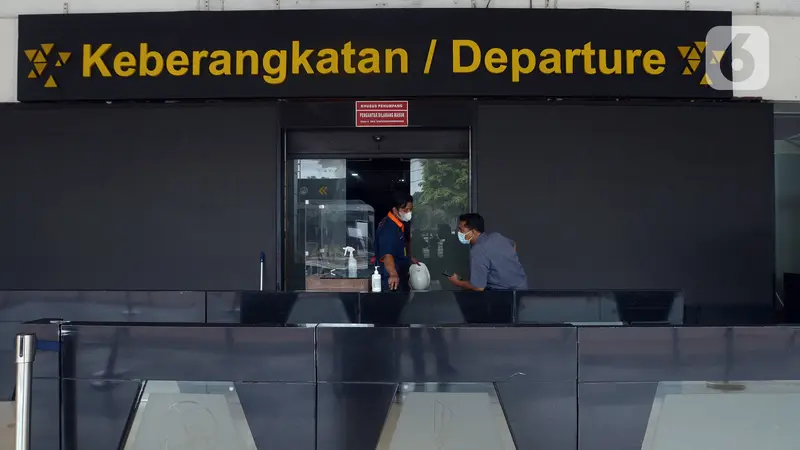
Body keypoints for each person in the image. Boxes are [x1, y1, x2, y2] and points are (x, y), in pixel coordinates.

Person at [448, 213, 528, 291]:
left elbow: (478, 287)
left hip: (504, 295)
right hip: (522, 288)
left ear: (472, 232)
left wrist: (457, 282)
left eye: (461, 230)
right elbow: (513, 244)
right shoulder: (496, 236)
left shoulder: (478, 251)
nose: (458, 232)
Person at [375, 191, 419, 291]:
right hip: (391, 279)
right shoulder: (388, 228)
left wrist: (409, 257)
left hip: (401, 273)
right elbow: (387, 255)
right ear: (395, 210)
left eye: (410, 209)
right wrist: (393, 274)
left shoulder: (400, 224)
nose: (409, 213)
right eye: (405, 210)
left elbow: (400, 246)